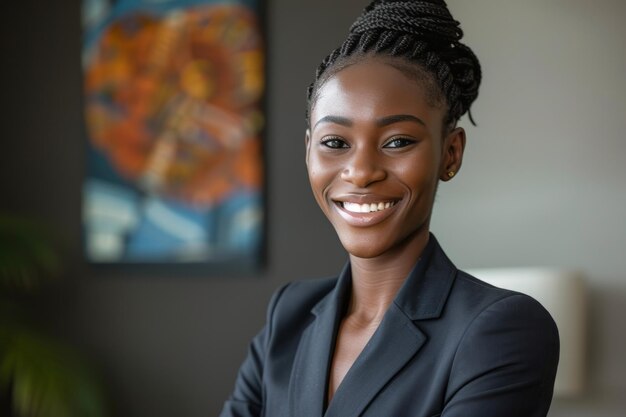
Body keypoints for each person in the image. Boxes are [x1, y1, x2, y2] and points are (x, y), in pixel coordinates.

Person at [219, 1, 559, 416]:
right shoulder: (288, 316)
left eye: (397, 141)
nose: (360, 172)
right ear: (309, 150)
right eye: (335, 142)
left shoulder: (502, 329)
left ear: (450, 154)